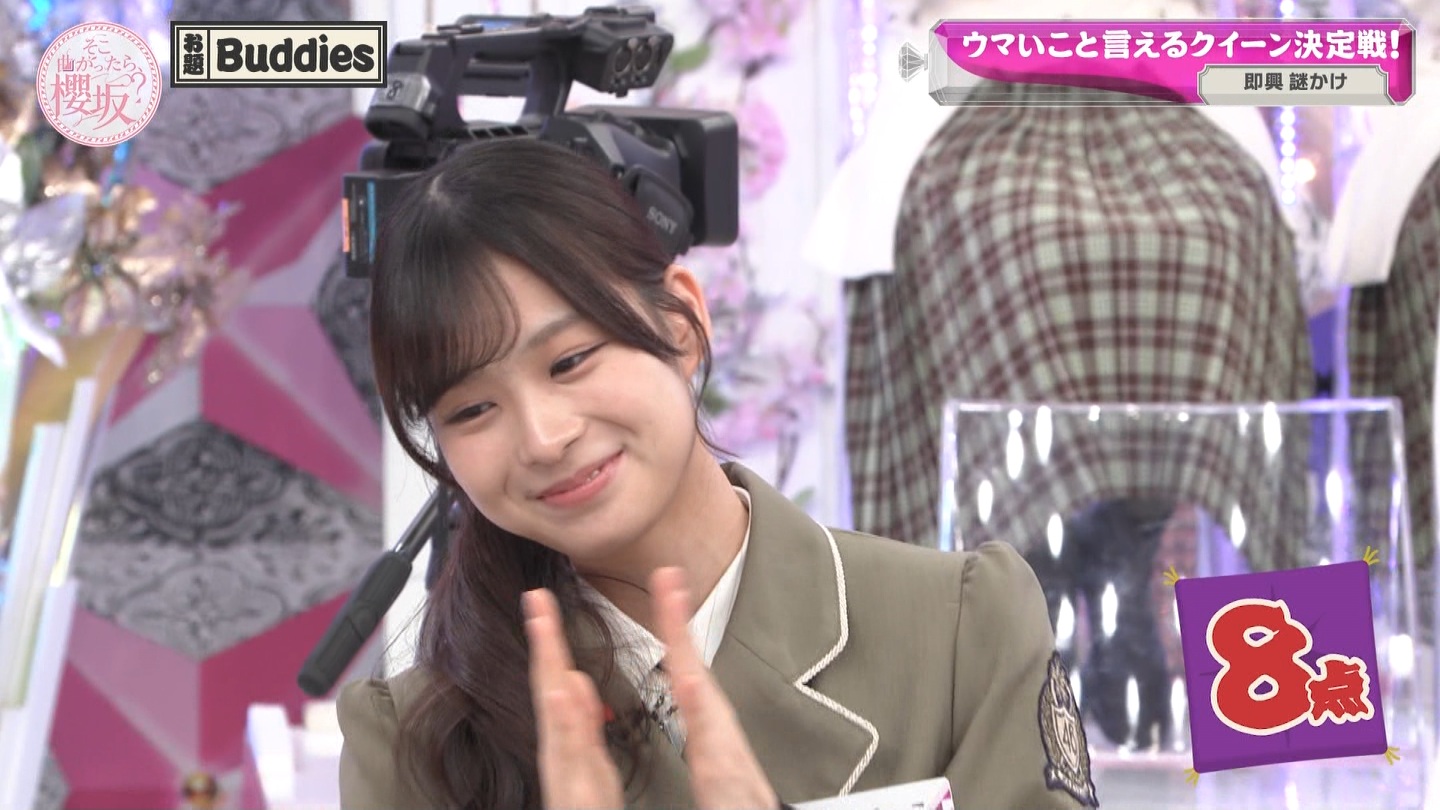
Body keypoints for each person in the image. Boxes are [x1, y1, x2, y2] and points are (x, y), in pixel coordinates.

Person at [335, 137, 1096, 810]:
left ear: (680, 324)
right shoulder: (411, 742)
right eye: (472, 410)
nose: (542, 438)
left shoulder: (960, 631)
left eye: (569, 361)